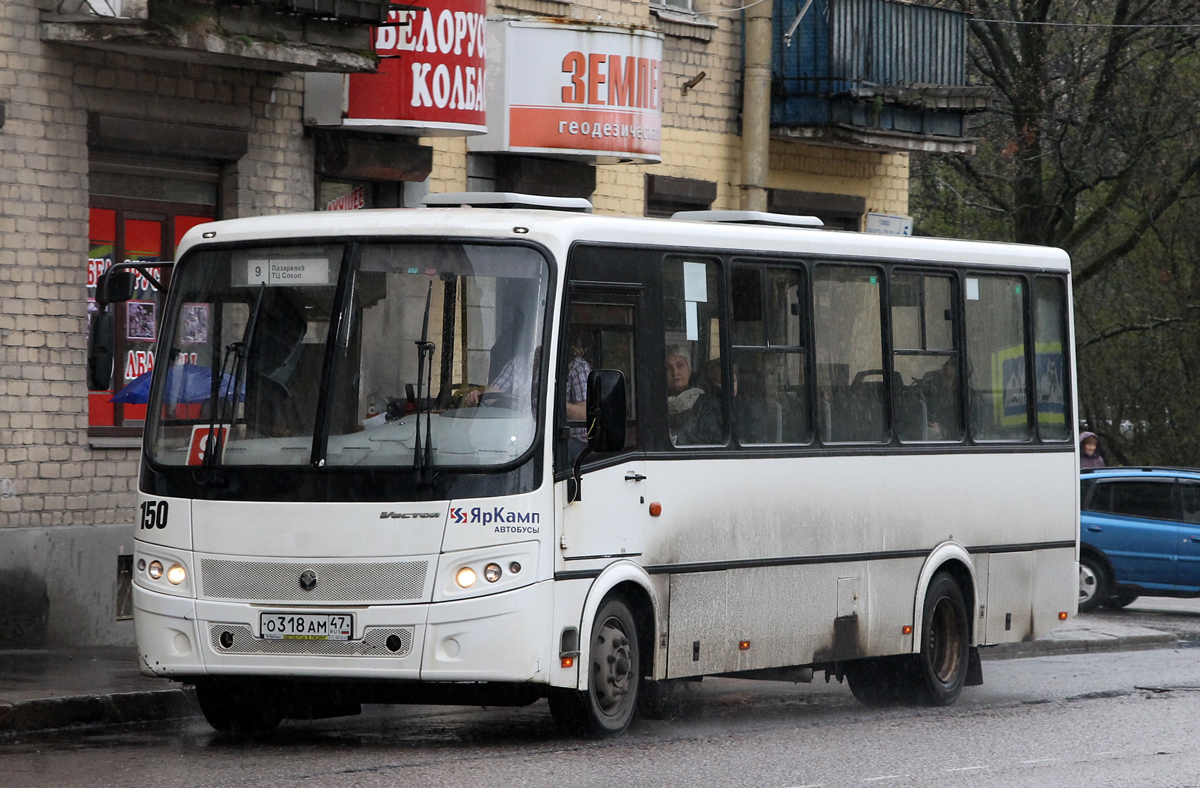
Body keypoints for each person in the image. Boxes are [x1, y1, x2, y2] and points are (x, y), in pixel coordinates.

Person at [665, 345, 722, 445]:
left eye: (680, 365)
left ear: (689, 369)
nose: (675, 372)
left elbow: (714, 438)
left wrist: (676, 440)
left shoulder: (705, 402)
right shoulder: (657, 401)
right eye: (669, 368)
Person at [563, 333, 593, 462]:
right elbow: (494, 393)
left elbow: (585, 413)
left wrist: (551, 404)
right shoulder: (520, 362)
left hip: (571, 439)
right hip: (524, 433)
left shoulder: (577, 367)